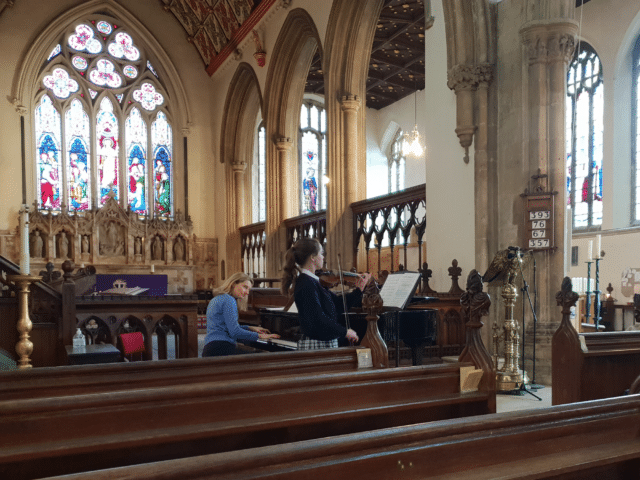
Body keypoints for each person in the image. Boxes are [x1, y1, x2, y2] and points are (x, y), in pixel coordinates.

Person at [281, 237, 371, 350]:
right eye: (321, 253)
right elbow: (318, 319)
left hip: (324, 343)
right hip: (317, 345)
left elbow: (338, 305)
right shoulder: (305, 284)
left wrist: (359, 289)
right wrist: (345, 331)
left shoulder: (313, 282)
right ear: (313, 257)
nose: (323, 257)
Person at [202, 272, 279, 357]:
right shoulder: (229, 300)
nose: (247, 293)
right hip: (221, 348)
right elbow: (235, 332)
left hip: (210, 348)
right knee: (265, 357)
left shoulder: (217, 298)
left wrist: (250, 328)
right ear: (233, 283)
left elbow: (225, 328)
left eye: (249, 289)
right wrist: (260, 336)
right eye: (245, 287)